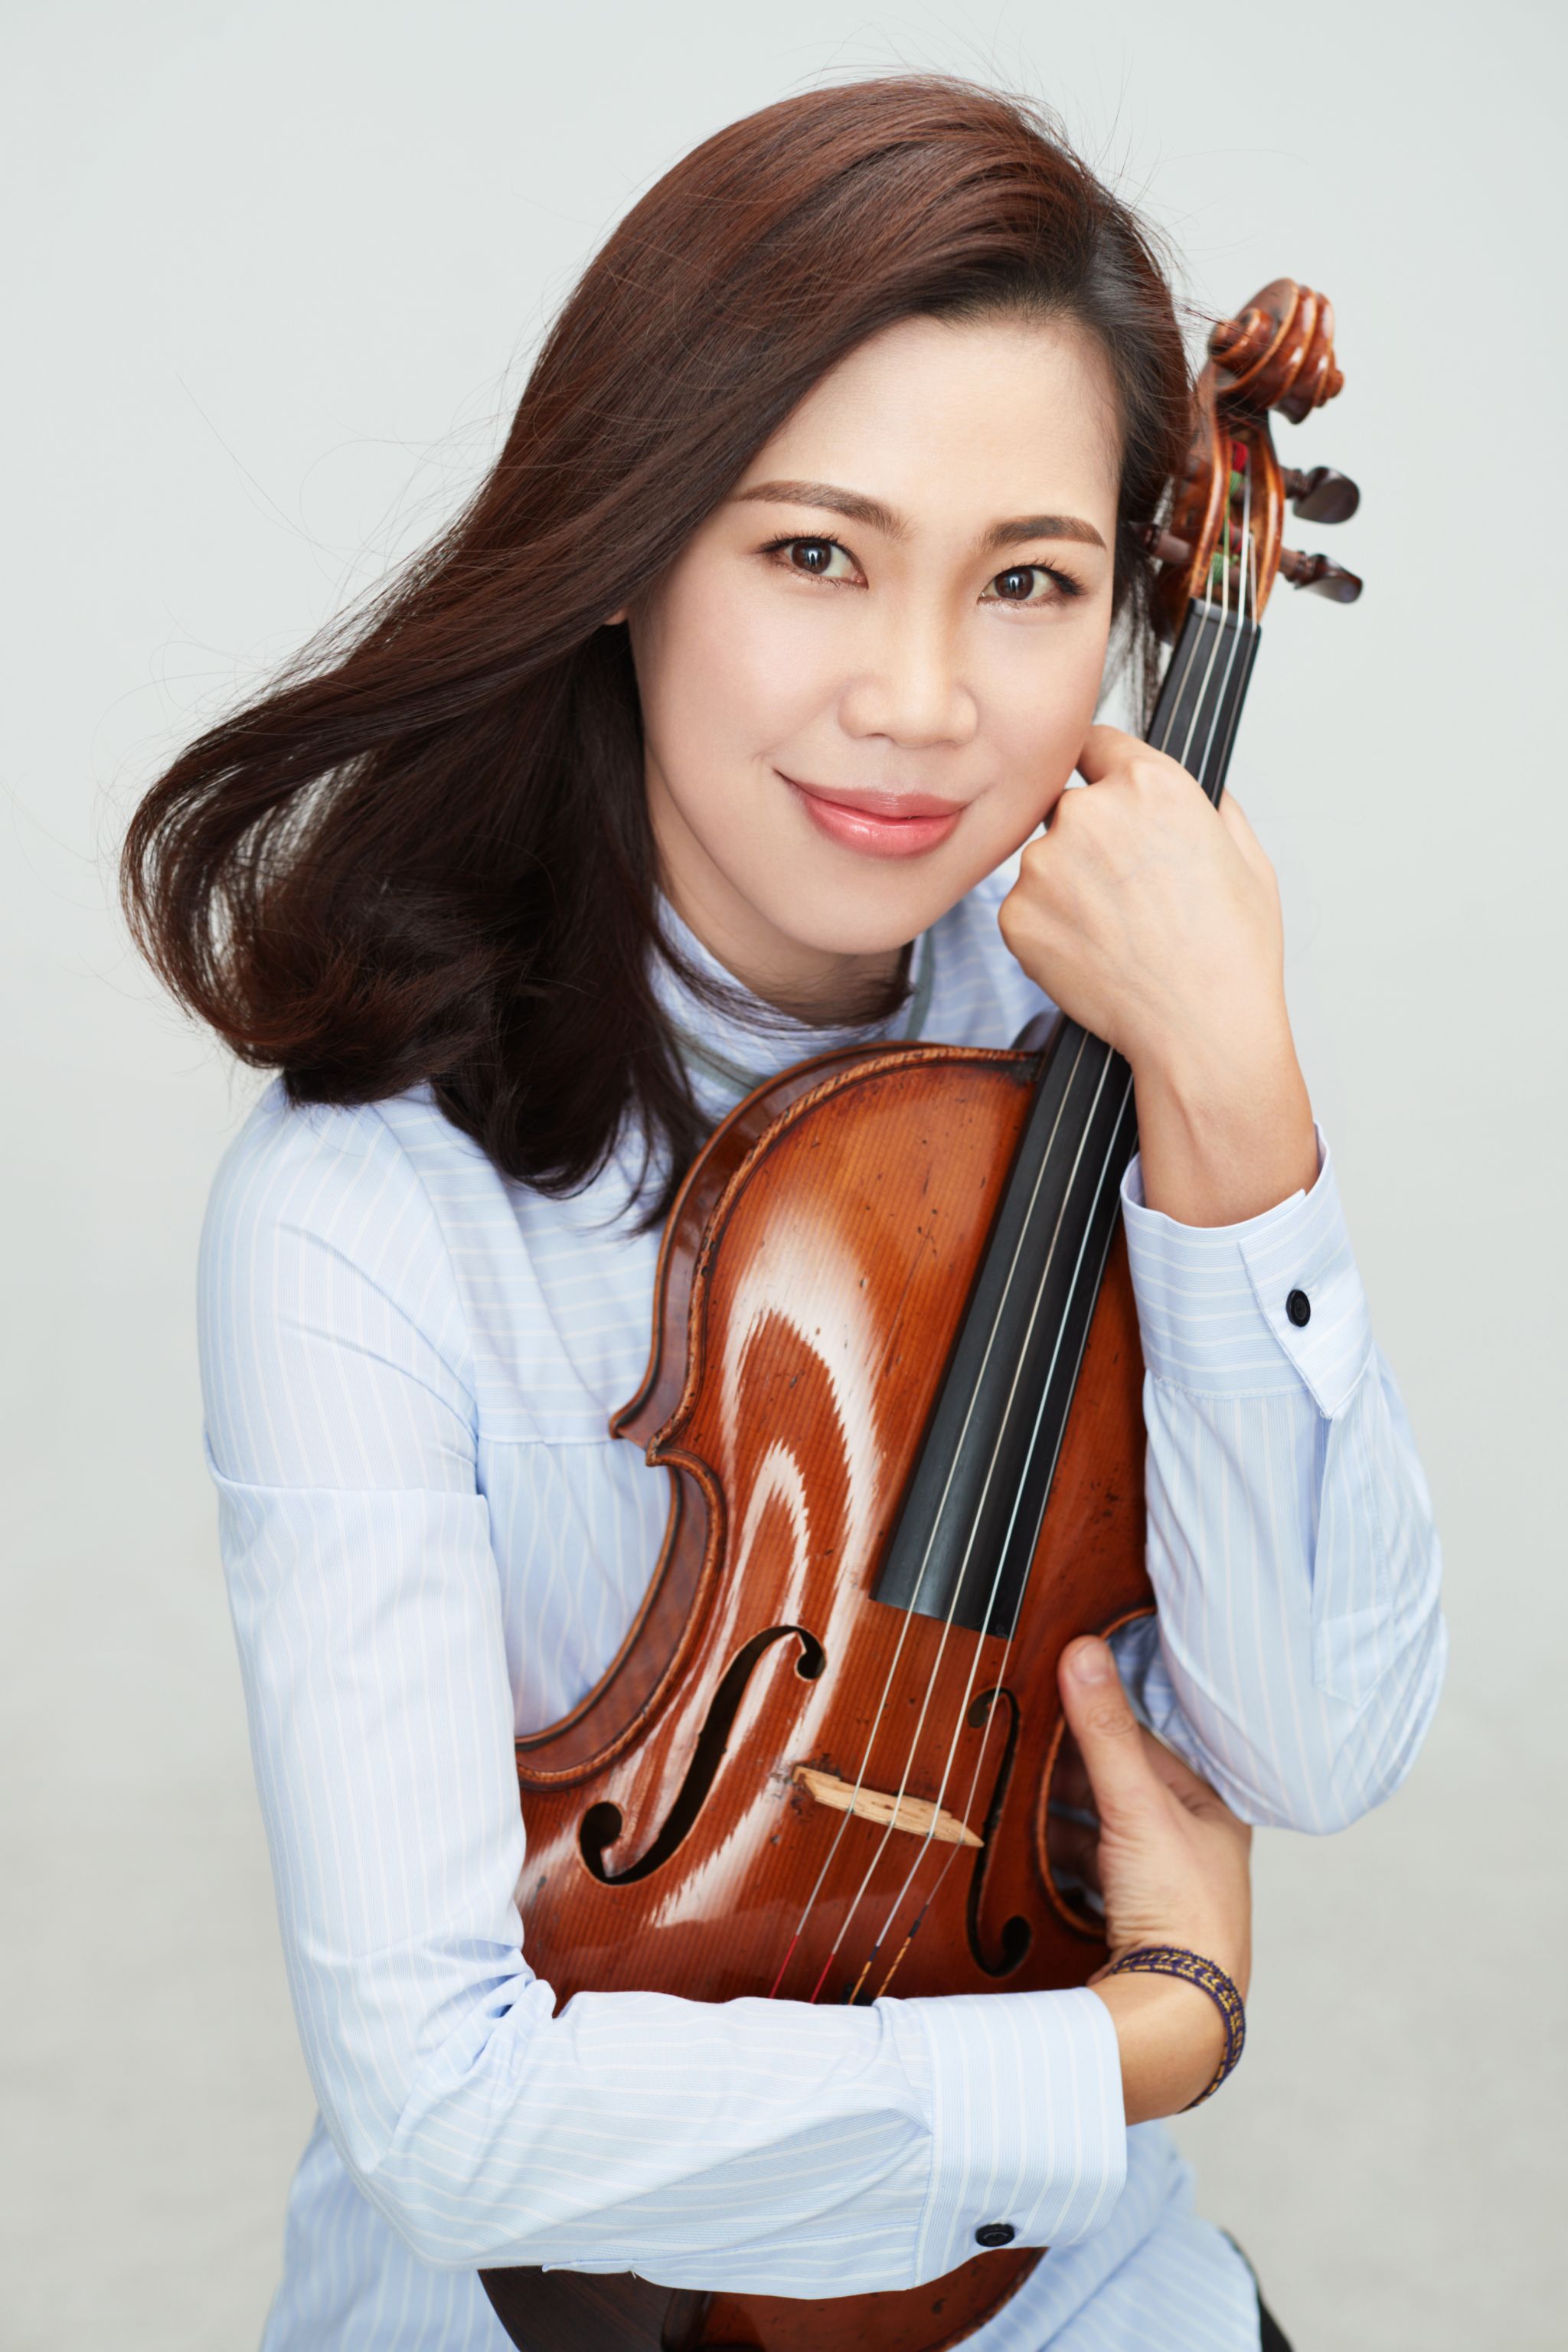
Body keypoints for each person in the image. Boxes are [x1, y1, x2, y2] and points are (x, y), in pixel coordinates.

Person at [122, 75, 1445, 2352]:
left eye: (1028, 584)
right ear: (630, 547)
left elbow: (1314, 1744)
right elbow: (450, 2120)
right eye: (815, 554)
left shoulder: (1113, 1045)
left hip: (1059, 2294)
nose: (919, 706)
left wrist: (1238, 1101)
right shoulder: (359, 1208)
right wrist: (1131, 2044)